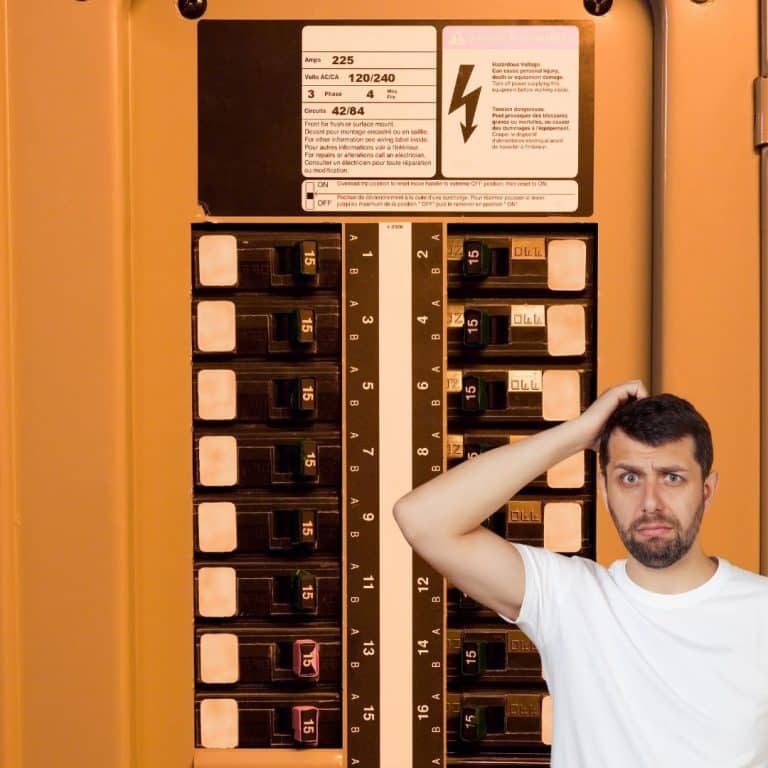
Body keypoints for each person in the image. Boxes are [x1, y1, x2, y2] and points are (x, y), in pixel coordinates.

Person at [393, 380, 768, 767]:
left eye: (672, 477)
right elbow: (423, 520)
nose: (650, 503)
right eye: (629, 478)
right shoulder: (568, 597)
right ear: (604, 492)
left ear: (707, 490)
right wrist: (578, 432)